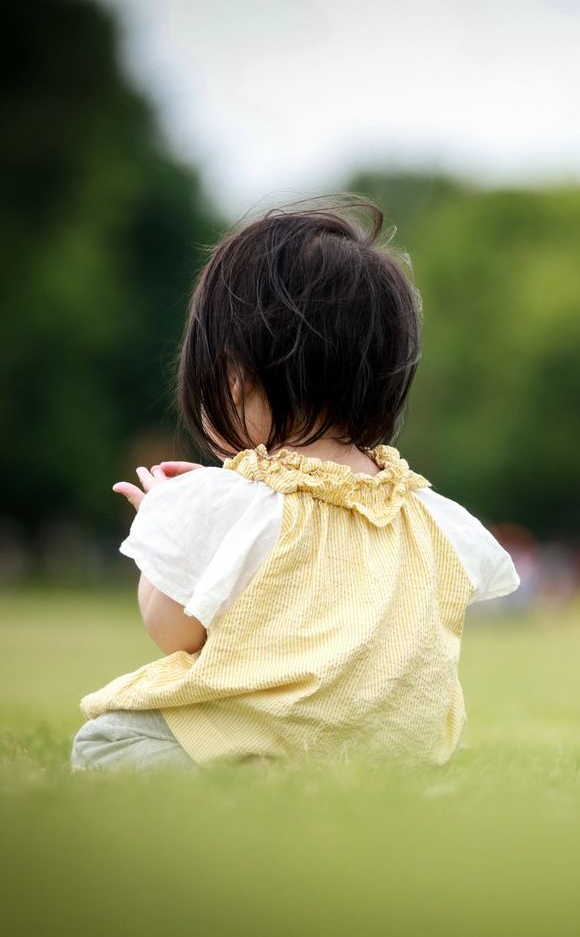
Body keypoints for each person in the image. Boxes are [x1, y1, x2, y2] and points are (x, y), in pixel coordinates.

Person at [72, 198, 519, 771]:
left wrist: (167, 524)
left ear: (234, 379)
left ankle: (259, 780)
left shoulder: (230, 505)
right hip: (397, 755)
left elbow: (174, 633)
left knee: (105, 741)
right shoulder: (436, 515)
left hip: (272, 738)